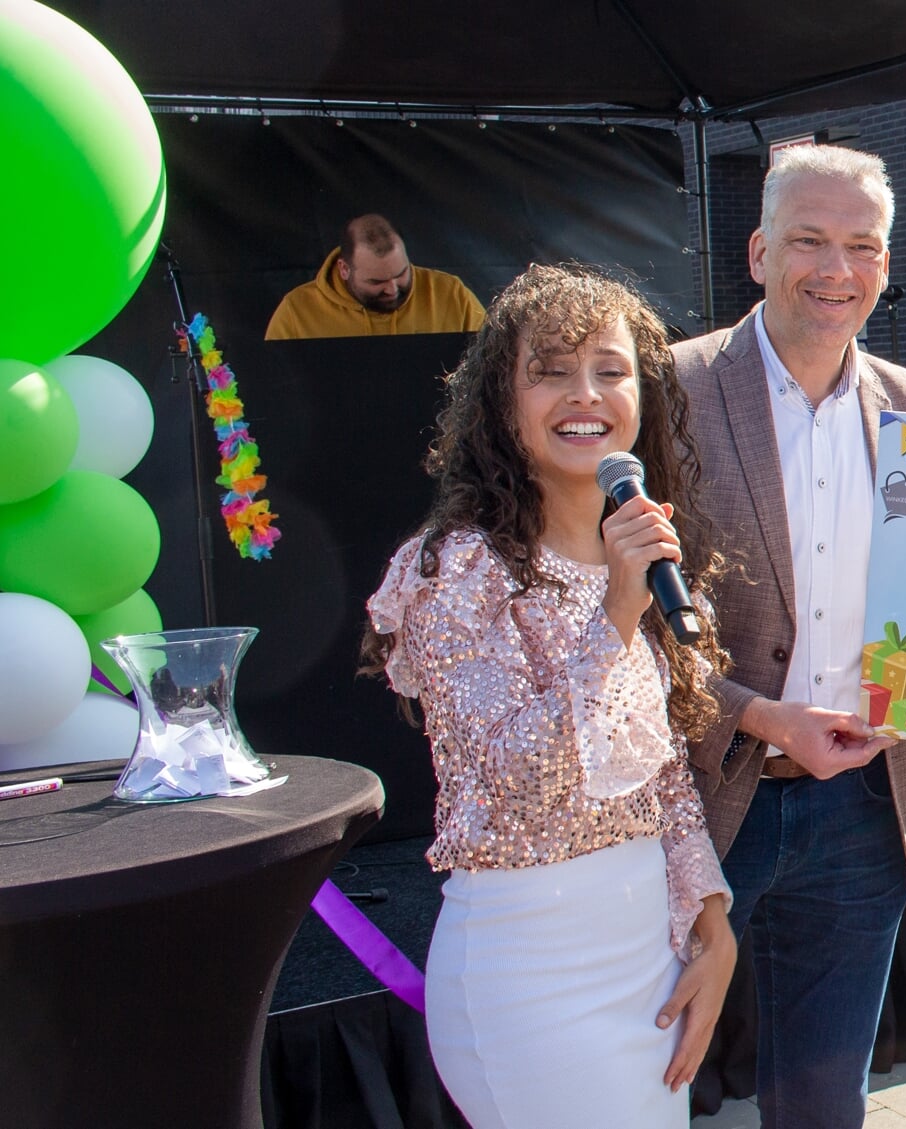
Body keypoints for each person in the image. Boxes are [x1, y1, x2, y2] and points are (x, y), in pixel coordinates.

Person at [362, 263, 736, 1128]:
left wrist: (711, 919)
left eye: (610, 368)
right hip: (530, 981)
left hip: (647, 965)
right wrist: (613, 617)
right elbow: (513, 782)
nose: (586, 393)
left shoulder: (635, 556)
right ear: (501, 398)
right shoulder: (460, 569)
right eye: (552, 369)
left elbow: (658, 779)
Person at [673, 145, 906, 1127]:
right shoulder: (665, 396)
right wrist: (760, 718)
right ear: (757, 252)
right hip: (701, 804)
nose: (836, 269)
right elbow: (617, 632)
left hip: (863, 814)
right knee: (643, 1075)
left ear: (885, 263)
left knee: (824, 1103)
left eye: (862, 246)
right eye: (809, 240)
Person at [266, 213, 485, 339]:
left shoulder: (452, 295)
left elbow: (495, 363)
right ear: (344, 269)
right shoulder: (296, 312)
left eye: (401, 274)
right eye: (376, 281)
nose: (392, 289)